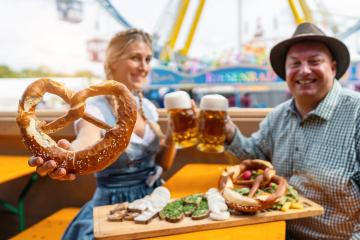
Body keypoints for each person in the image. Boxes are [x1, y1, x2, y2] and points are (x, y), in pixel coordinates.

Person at [28, 29, 177, 239]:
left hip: (154, 201)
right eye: (135, 58)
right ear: (112, 62)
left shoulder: (149, 108)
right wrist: (67, 154)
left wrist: (174, 131)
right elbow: (86, 141)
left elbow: (163, 164)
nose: (144, 67)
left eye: (148, 59)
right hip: (111, 209)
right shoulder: (94, 109)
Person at [224, 22, 360, 239]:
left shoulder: (356, 113)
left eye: (314, 62)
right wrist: (228, 131)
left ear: (333, 68)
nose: (304, 71)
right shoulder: (278, 117)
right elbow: (255, 158)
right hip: (275, 231)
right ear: (285, 72)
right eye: (295, 64)